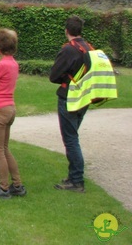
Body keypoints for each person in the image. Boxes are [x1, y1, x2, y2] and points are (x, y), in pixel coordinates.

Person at [49, 15, 93, 193]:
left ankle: (76, 181)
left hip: (70, 97)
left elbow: (54, 75)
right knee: (72, 136)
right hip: (84, 96)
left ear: (66, 30)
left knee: (71, 139)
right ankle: (73, 176)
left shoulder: (69, 50)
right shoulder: (88, 48)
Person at [0, 28, 26, 198]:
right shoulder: (14, 63)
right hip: (10, 107)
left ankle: (3, 187)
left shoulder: (1, 64)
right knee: (5, 148)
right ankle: (17, 184)